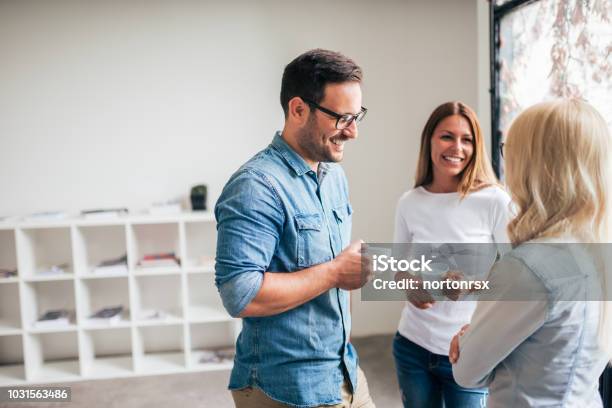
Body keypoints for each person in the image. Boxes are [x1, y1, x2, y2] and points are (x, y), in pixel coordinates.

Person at [214, 49, 375, 408]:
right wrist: (335, 272)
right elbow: (240, 293)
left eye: (357, 116)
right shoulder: (255, 186)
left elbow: (334, 271)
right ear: (298, 109)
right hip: (286, 387)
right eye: (343, 118)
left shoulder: (334, 176)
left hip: (343, 369)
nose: (353, 132)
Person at [450, 99, 612, 407]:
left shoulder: (527, 267)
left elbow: (467, 372)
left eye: (509, 151)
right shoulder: (599, 254)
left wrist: (469, 338)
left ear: (537, 166)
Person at [392, 101, 511, 407]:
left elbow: (517, 276)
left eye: (466, 139)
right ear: (429, 140)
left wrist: (471, 284)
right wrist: (409, 285)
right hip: (412, 347)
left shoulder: (494, 200)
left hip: (469, 349)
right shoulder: (409, 202)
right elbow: (398, 268)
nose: (457, 147)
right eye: (447, 136)